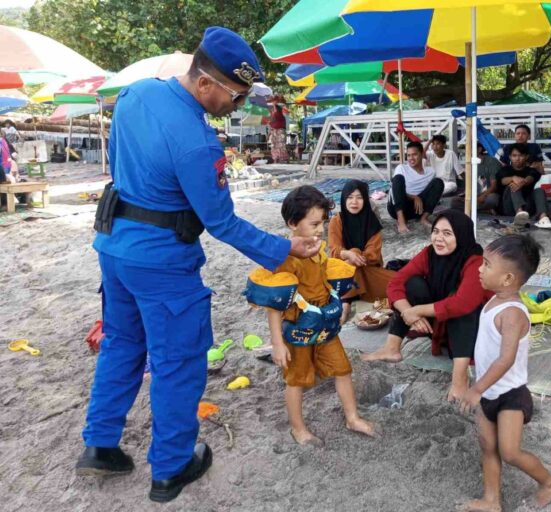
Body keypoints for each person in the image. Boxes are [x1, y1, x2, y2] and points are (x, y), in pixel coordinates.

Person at [77, 27, 321, 503]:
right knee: (177, 362)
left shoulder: (134, 95)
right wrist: (285, 248)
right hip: (162, 262)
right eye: (236, 96)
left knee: (122, 344)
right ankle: (171, 467)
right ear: (206, 82)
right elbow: (222, 223)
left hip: (113, 247)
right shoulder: (198, 143)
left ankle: (100, 446)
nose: (239, 106)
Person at [268, 185, 376, 446]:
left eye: (323, 223)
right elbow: (274, 304)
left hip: (324, 323)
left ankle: (352, 417)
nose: (320, 230)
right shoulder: (285, 259)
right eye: (314, 224)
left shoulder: (319, 249)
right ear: (293, 223)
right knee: (297, 379)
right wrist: (277, 343)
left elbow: (326, 279)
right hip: (298, 326)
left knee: (342, 368)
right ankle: (298, 428)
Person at [458, 234, 551, 511]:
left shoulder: (513, 312)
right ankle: (492, 500)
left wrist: (476, 389)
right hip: (487, 390)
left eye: (487, 265)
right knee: (487, 445)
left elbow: (505, 359)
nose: (480, 269)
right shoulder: (493, 300)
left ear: (508, 279)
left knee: (510, 452)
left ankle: (549, 482)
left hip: (511, 395)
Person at [362, 210, 492, 401]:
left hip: (471, 330)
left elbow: (463, 304)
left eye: (447, 234)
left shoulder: (475, 261)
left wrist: (418, 310)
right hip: (441, 322)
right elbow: (396, 283)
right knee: (412, 284)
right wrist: (408, 312)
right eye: (436, 231)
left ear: (461, 235)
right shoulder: (429, 254)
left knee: (460, 305)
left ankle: (459, 378)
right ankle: (392, 348)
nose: (439, 238)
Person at [328, 180, 396, 323]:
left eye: (359, 197)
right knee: (352, 253)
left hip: (368, 271)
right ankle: (347, 303)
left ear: (365, 200)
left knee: (401, 288)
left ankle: (349, 301)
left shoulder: (372, 222)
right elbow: (334, 250)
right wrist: (347, 254)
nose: (354, 202)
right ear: (344, 199)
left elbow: (373, 254)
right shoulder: (336, 221)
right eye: (350, 197)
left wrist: (355, 256)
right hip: (341, 274)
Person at [387, 141, 444, 233]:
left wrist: (419, 198)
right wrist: (414, 197)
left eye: (414, 155)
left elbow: (432, 194)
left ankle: (424, 218)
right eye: (408, 155)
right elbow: (394, 190)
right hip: (397, 207)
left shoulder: (431, 172)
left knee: (439, 182)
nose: (411, 158)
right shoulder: (401, 168)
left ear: (422, 154)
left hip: (418, 209)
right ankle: (401, 221)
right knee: (397, 178)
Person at [497, 143, 551, 229]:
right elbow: (502, 181)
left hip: (528, 207)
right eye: (514, 155)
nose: (517, 158)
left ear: (526, 156)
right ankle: (519, 215)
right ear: (510, 157)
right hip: (509, 207)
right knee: (513, 185)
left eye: (520, 155)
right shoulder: (504, 170)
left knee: (539, 190)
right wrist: (513, 178)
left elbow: (531, 177)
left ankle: (543, 218)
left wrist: (523, 182)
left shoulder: (531, 170)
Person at [269, 96, 289, 163]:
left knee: (281, 144)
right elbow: (270, 120)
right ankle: (275, 158)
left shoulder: (279, 108)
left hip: (280, 128)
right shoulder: (271, 109)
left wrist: (274, 104)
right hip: (273, 129)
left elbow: (275, 116)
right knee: (273, 144)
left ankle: (282, 158)